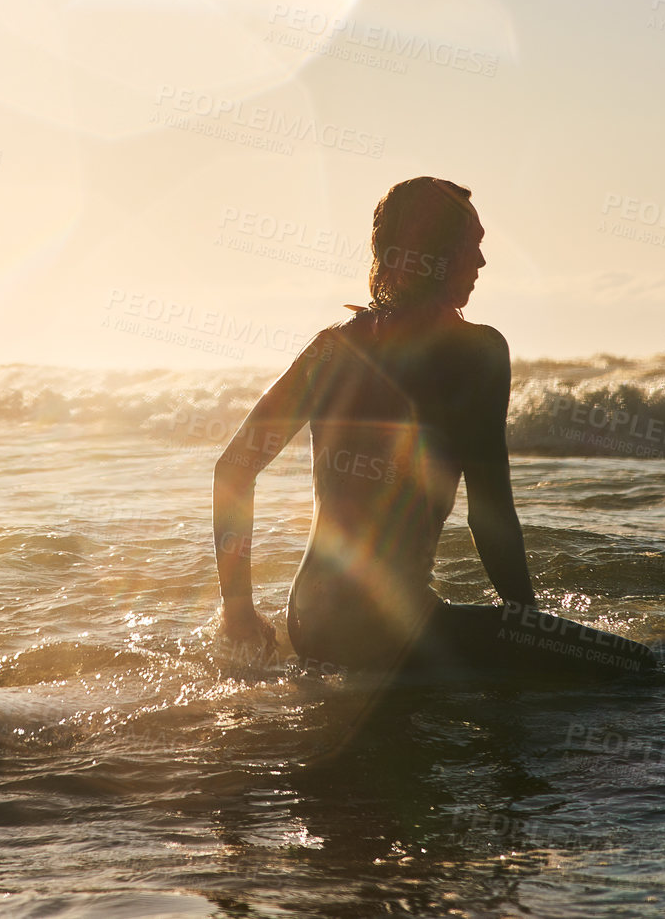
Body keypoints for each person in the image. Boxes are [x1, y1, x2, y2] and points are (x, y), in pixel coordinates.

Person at [212, 177, 539, 676]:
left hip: (308, 622)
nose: (481, 262)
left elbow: (233, 469)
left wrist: (239, 613)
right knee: (636, 670)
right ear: (436, 255)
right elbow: (489, 520)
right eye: (471, 246)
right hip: (395, 631)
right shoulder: (480, 352)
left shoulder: (331, 348)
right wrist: (532, 629)